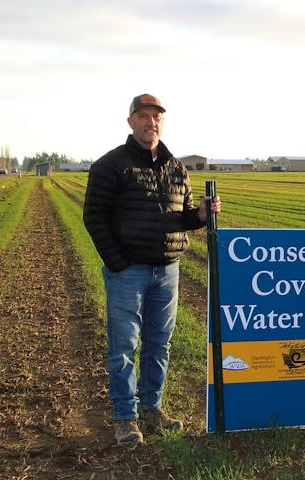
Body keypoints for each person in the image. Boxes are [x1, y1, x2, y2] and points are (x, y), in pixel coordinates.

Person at [83, 93, 221, 447]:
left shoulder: (177, 167)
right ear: (131, 122)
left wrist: (201, 215)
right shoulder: (111, 165)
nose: (151, 122)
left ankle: (151, 409)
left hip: (168, 271)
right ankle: (125, 419)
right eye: (143, 116)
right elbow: (94, 217)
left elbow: (184, 214)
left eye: (156, 116)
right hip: (128, 272)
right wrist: (117, 261)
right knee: (124, 346)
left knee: (159, 345)